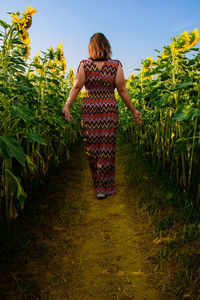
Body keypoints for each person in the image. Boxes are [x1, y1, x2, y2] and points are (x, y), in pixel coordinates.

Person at [62, 33, 143, 199]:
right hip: (109, 111)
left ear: (91, 48)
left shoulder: (84, 65)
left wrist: (67, 105)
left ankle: (99, 186)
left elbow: (77, 87)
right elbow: (121, 90)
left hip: (89, 111)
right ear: (107, 47)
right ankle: (106, 186)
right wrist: (133, 110)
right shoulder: (115, 65)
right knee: (107, 147)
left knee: (92, 148)